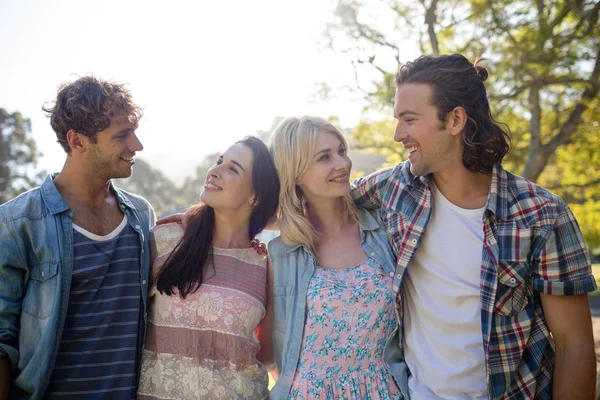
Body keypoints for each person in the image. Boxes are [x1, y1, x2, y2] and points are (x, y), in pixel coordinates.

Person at [352, 54, 597, 399]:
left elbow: (576, 346)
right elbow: (323, 198)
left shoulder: (542, 216)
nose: (397, 135)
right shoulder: (396, 188)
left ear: (455, 120)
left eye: (409, 120)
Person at [0, 76, 155, 400]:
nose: (136, 145)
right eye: (122, 135)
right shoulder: (17, 223)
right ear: (78, 141)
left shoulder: (141, 216)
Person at [267, 116, 405, 399]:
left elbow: (409, 174)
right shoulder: (280, 253)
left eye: (341, 151)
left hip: (385, 390)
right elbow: (267, 348)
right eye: (324, 157)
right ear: (295, 172)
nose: (342, 163)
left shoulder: (384, 229)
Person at [137, 136, 280, 400]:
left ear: (254, 197)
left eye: (232, 168)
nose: (214, 171)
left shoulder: (265, 265)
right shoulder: (165, 240)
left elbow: (267, 354)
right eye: (219, 162)